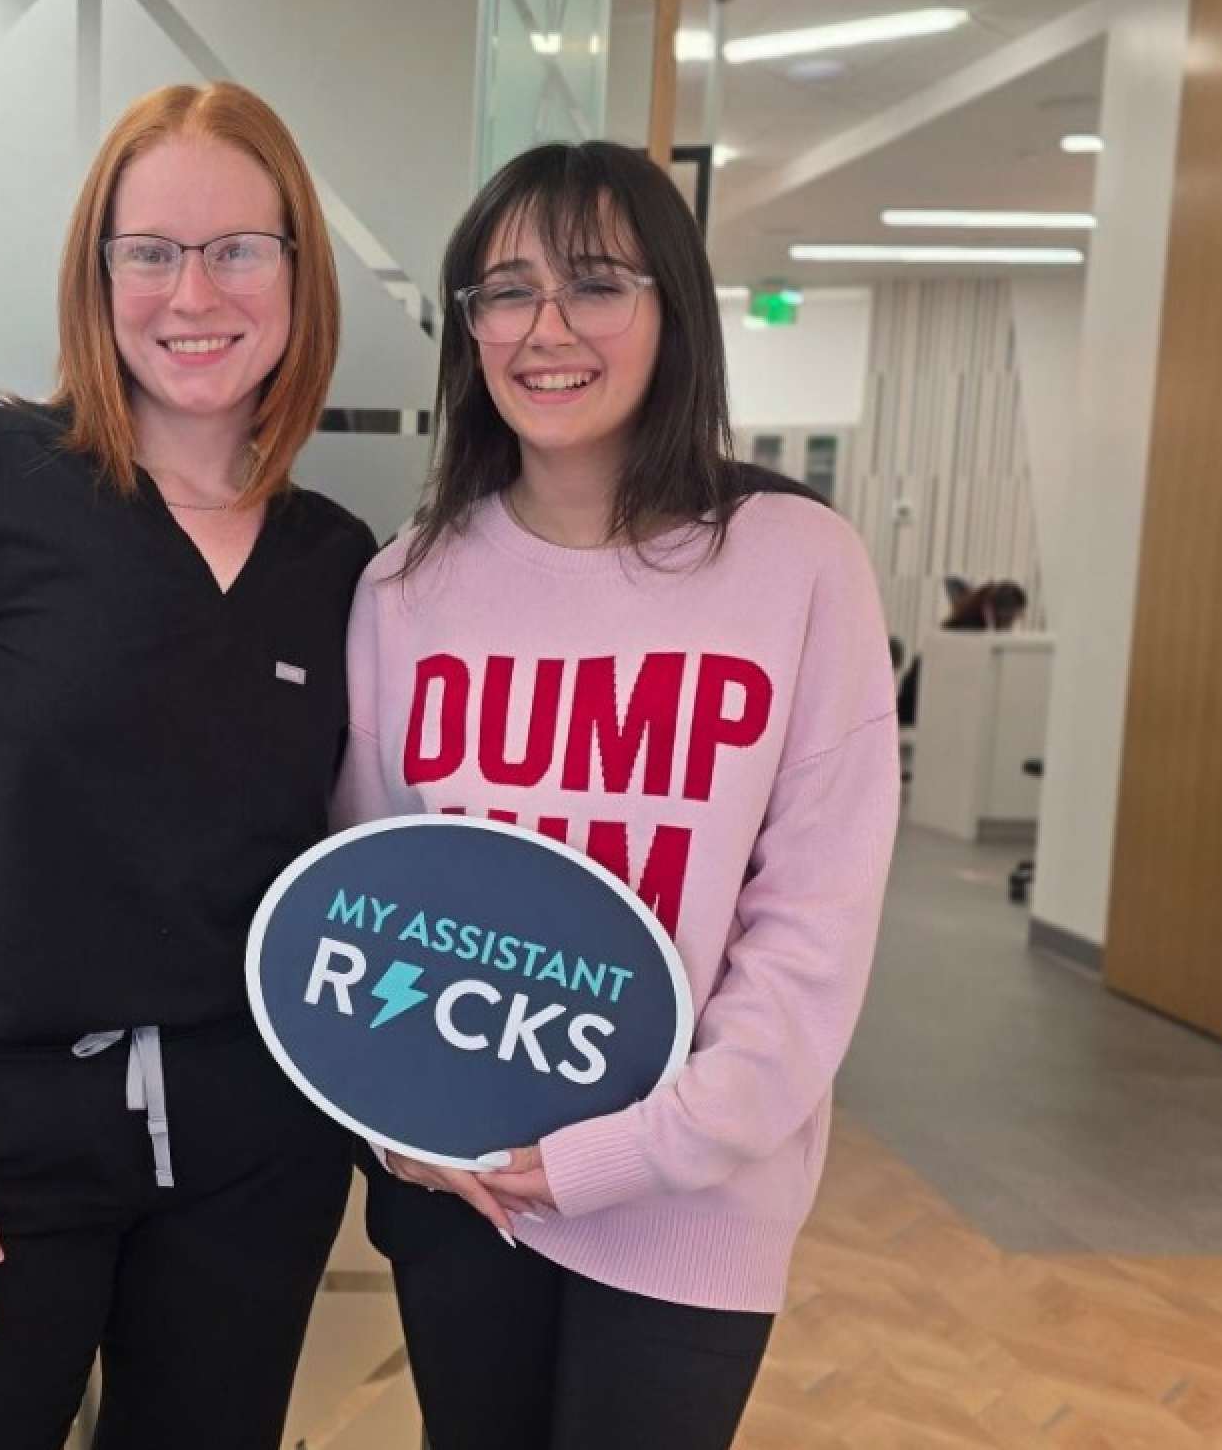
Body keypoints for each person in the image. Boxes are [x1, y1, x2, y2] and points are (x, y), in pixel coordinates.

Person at [0, 81, 376, 1450]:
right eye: (151, 251)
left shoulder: (338, 559)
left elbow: (354, 866)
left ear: (297, 271)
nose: (194, 293)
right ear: (97, 272)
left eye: (237, 249)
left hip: (254, 1149)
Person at [332, 139, 901, 1449]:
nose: (546, 328)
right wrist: (400, 1128)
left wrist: (637, 1149)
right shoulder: (403, 586)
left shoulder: (796, 562)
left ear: (671, 308)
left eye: (593, 282)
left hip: (690, 1199)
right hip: (463, 1189)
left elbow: (810, 928)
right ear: (468, 327)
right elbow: (364, 895)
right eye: (505, 290)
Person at [896, 579, 1028, 725]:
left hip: (918, 701)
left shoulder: (970, 620)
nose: (1011, 627)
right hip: (919, 705)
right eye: (1014, 619)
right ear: (1004, 613)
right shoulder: (970, 632)